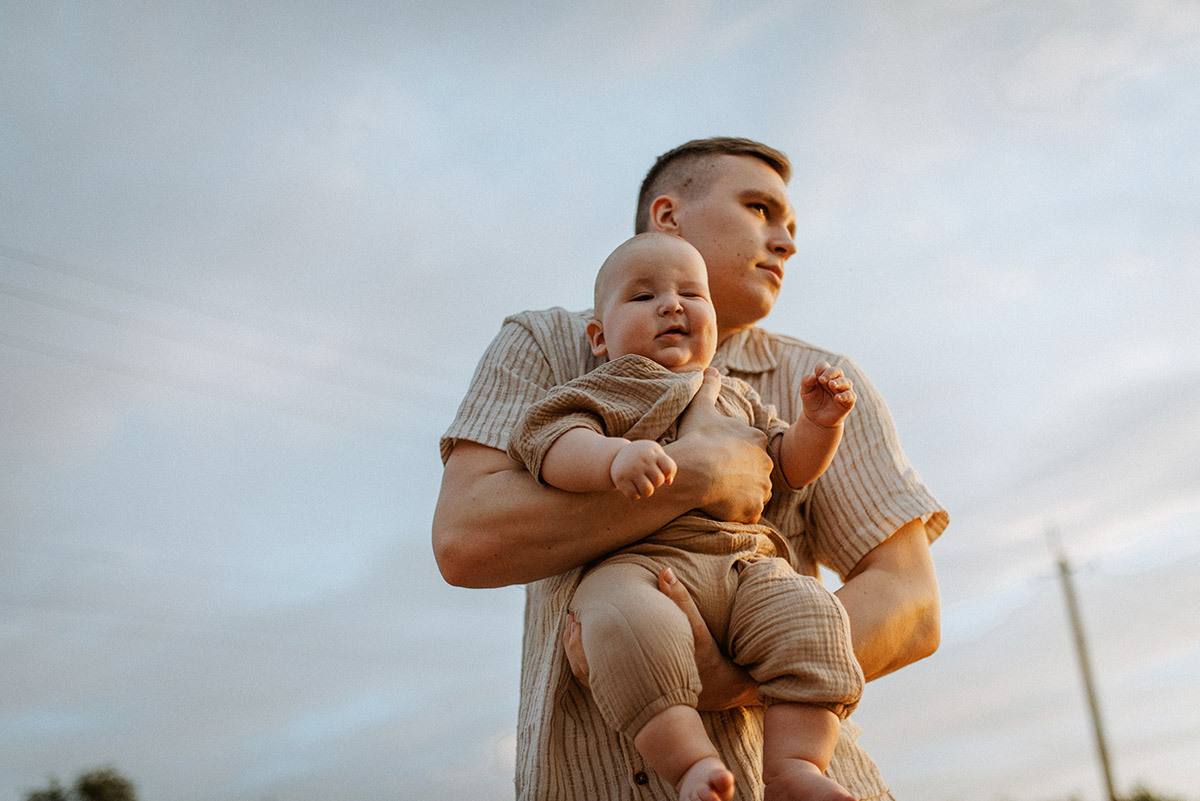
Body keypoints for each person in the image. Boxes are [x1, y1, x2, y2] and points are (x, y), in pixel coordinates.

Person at [433, 137, 949, 800]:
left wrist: (732, 675)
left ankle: (799, 769)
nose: (785, 241)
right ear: (668, 216)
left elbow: (912, 603)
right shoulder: (546, 346)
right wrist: (695, 476)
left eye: (790, 226)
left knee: (799, 609)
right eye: (759, 209)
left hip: (797, 775)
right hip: (594, 784)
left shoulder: (819, 380)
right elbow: (464, 539)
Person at [506, 231, 864, 801]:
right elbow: (550, 441)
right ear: (599, 337)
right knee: (626, 629)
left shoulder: (735, 396)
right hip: (640, 563)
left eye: (691, 295)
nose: (672, 305)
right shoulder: (608, 387)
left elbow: (788, 468)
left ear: (714, 324)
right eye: (644, 297)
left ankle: (795, 767)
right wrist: (613, 457)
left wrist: (819, 428)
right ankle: (692, 763)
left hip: (743, 564)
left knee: (814, 615)